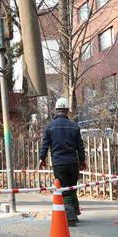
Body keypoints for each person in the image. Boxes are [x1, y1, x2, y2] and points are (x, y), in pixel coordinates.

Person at [39, 97, 87, 226]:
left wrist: (41, 158)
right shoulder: (74, 126)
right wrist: (82, 161)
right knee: (72, 188)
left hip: (59, 163)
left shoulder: (50, 127)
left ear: (56, 110)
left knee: (64, 190)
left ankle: (70, 219)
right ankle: (75, 213)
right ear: (67, 110)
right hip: (73, 162)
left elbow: (45, 145)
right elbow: (80, 146)